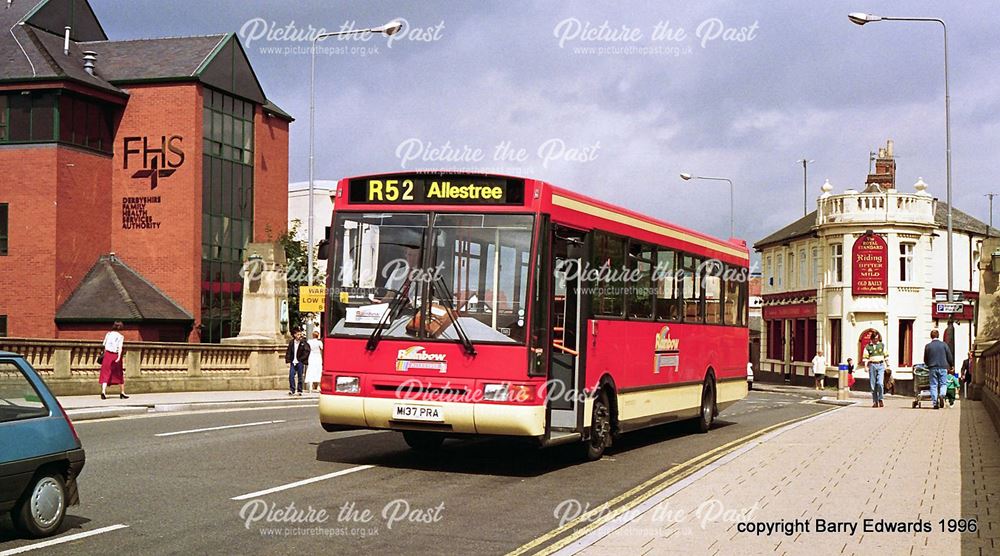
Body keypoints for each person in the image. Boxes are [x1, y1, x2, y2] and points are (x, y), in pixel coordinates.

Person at [923, 329, 954, 410]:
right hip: (943, 367)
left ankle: (934, 403)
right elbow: (949, 356)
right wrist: (951, 365)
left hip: (932, 368)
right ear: (938, 336)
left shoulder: (928, 346)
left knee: (933, 385)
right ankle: (942, 395)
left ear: (931, 336)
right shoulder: (944, 345)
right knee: (943, 384)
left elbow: (925, 359)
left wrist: (928, 364)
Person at [99, 321, 128, 400]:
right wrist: (118, 357)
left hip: (107, 354)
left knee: (105, 372)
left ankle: (103, 391)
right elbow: (120, 348)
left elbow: (104, 345)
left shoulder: (108, 334)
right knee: (119, 373)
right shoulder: (120, 336)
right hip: (115, 355)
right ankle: (122, 392)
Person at [864, 332, 887, 408]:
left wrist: (888, 365)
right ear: (872, 338)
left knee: (880, 383)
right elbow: (866, 358)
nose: (876, 340)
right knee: (873, 385)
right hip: (872, 365)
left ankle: (880, 398)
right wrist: (866, 366)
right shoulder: (868, 347)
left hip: (880, 365)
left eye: (877, 338)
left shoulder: (882, 345)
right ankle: (875, 401)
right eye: (875, 338)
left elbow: (886, 356)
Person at [285, 330, 311, 396]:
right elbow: (289, 351)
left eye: (300, 334)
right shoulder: (291, 342)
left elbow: (307, 351)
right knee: (291, 376)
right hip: (293, 362)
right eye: (298, 334)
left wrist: (302, 359)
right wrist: (288, 359)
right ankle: (292, 389)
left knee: (300, 376)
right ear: (295, 335)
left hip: (300, 362)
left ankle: (299, 390)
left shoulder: (303, 342)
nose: (300, 336)